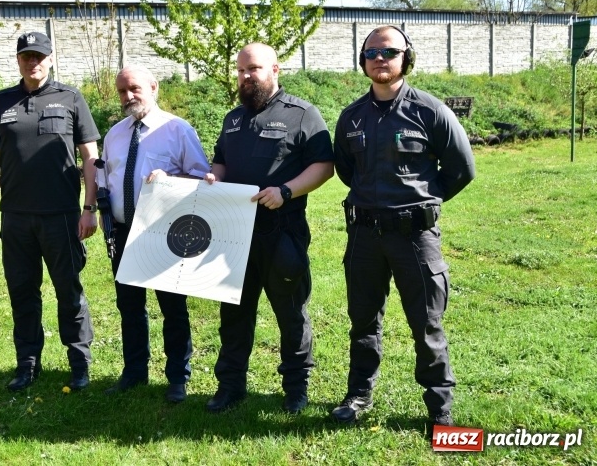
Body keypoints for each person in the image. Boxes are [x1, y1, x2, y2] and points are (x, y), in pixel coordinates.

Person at [331, 25, 475, 429]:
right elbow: (347, 170)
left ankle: (439, 407)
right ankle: (359, 394)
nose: (380, 58)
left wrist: (422, 202)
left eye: (389, 51)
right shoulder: (351, 117)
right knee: (362, 321)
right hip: (364, 235)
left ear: (405, 58)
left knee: (426, 323)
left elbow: (462, 170)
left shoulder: (430, 110)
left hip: (415, 237)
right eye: (372, 51)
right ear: (363, 61)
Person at [203, 43, 335, 414]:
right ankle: (231, 385)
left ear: (275, 70)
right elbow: (222, 161)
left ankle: (296, 388)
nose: (246, 76)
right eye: (241, 70)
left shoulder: (302, 114)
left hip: (282, 230)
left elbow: (324, 165)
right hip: (234, 232)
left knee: (291, 313)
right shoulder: (233, 119)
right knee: (234, 313)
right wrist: (215, 175)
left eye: (254, 69)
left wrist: (287, 191)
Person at [0, 31, 100, 392]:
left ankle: (79, 364)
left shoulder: (71, 98)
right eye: (26, 57)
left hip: (61, 216)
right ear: (18, 60)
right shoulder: (2, 102)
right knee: (22, 292)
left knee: (69, 292)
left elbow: (90, 156)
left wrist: (89, 207)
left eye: (39, 56)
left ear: (50, 58)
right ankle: (28, 364)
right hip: (15, 218)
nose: (33, 62)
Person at [98, 65, 210, 403]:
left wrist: (171, 181)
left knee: (172, 307)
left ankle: (178, 377)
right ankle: (134, 372)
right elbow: (107, 178)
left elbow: (204, 178)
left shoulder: (177, 129)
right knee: (129, 307)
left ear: (153, 87)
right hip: (122, 232)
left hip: (164, 232)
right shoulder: (114, 134)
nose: (127, 96)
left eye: (134, 88)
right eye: (121, 91)